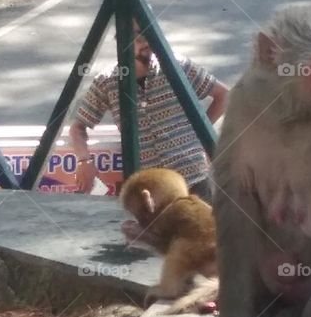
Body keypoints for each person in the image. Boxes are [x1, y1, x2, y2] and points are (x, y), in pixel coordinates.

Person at [68, 26, 229, 198]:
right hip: (148, 190)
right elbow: (78, 128)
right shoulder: (107, 81)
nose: (146, 43)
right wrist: (84, 161)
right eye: (138, 38)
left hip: (191, 179)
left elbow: (223, 95)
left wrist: (196, 133)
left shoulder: (177, 66)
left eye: (149, 35)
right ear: (123, 42)